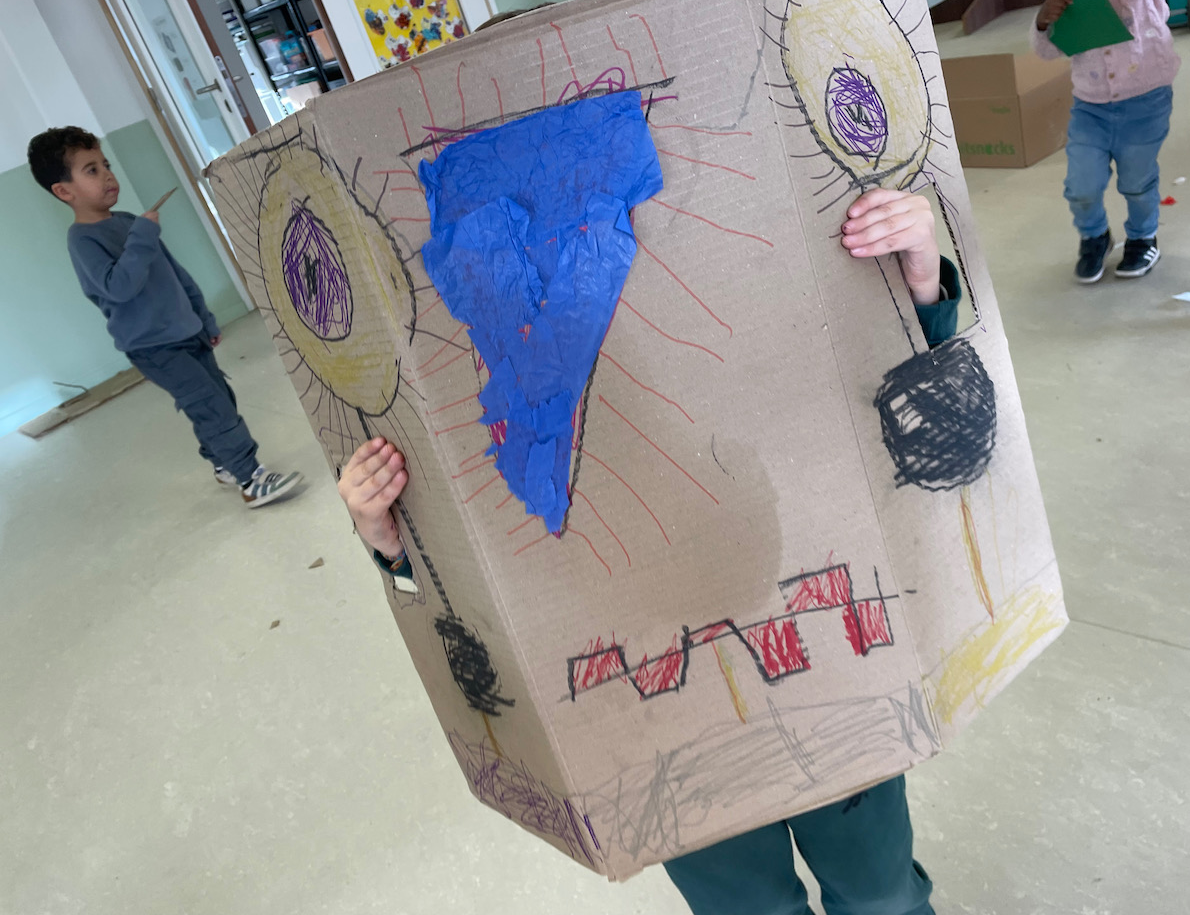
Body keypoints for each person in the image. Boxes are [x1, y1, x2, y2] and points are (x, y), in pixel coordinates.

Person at [338, 188, 952, 915]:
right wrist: (394, 542)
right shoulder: (506, 418)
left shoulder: (722, 325)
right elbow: (489, 582)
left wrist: (919, 286)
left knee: (881, 892)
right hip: (656, 724)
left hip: (824, 663)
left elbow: (873, 403)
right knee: (750, 909)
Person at [27, 126, 303, 508]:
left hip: (187, 332)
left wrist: (203, 318)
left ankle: (221, 460)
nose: (107, 175)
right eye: (91, 170)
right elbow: (120, 287)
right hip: (154, 348)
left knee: (219, 398)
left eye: (106, 165)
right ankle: (249, 477)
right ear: (63, 191)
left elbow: (175, 274)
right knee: (210, 405)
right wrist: (142, 236)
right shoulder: (83, 241)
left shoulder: (129, 221)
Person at [1031, 0, 1190, 283]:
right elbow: (1047, 51)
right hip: (1090, 106)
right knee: (1081, 184)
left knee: (1137, 180)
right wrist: (1043, 22)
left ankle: (1143, 238)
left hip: (1145, 99)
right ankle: (1095, 237)